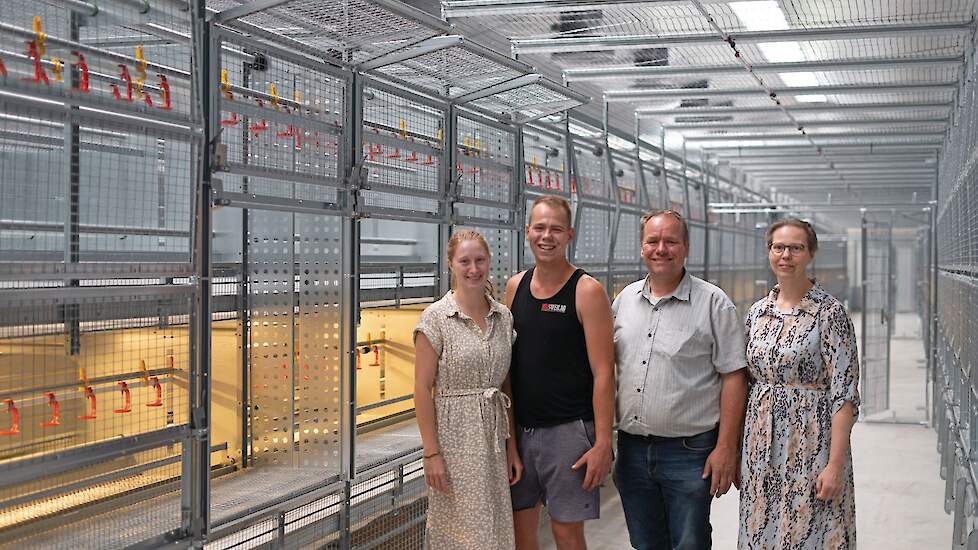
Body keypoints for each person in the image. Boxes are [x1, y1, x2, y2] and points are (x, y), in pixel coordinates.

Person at [612, 209, 748, 550]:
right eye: (653, 241)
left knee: (690, 543)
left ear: (685, 247)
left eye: (671, 241)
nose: (662, 249)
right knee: (645, 544)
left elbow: (734, 377)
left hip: (690, 452)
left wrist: (726, 448)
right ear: (642, 248)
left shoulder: (714, 303)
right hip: (631, 451)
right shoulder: (623, 301)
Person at [739, 218, 859, 549]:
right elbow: (745, 383)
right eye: (779, 247)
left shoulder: (830, 313)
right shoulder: (756, 313)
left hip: (811, 443)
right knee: (761, 530)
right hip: (760, 446)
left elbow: (844, 395)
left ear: (810, 254)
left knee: (811, 530)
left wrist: (835, 465)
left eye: (796, 248)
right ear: (769, 252)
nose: (786, 255)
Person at [505, 195, 615, 550]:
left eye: (555, 229)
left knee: (567, 534)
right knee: (522, 534)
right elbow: (506, 369)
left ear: (569, 234)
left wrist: (601, 443)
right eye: (539, 227)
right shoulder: (514, 287)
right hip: (522, 433)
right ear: (527, 232)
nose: (546, 236)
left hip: (569, 434)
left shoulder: (587, 291)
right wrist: (509, 441)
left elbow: (603, 373)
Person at [414, 229, 521, 549]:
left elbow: (505, 387)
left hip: (493, 441)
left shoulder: (503, 317)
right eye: (465, 261)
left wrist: (511, 447)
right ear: (451, 264)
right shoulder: (436, 318)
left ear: (489, 262)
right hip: (454, 442)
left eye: (479, 261)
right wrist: (431, 453)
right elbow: (421, 389)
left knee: (494, 527)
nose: (473, 269)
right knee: (460, 533)